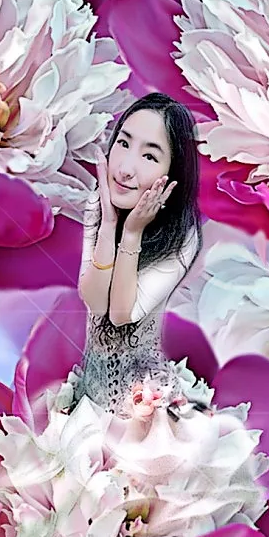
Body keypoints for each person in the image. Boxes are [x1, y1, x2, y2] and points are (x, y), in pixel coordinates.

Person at [70, 92, 208, 420]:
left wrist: (131, 233)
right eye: (123, 143)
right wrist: (108, 224)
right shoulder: (99, 204)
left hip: (144, 403)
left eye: (149, 156)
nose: (125, 169)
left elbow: (121, 314)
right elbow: (95, 302)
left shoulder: (184, 234)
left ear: (173, 172)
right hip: (90, 393)